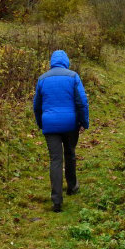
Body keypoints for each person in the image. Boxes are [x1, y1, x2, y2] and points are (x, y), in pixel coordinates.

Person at [33, 50, 89, 212]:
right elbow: (81, 102)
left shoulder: (42, 79)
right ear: (66, 61)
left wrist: (41, 123)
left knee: (55, 160)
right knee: (70, 153)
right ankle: (72, 186)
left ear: (52, 62)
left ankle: (57, 200)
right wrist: (84, 122)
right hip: (70, 124)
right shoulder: (73, 76)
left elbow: (37, 105)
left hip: (50, 124)